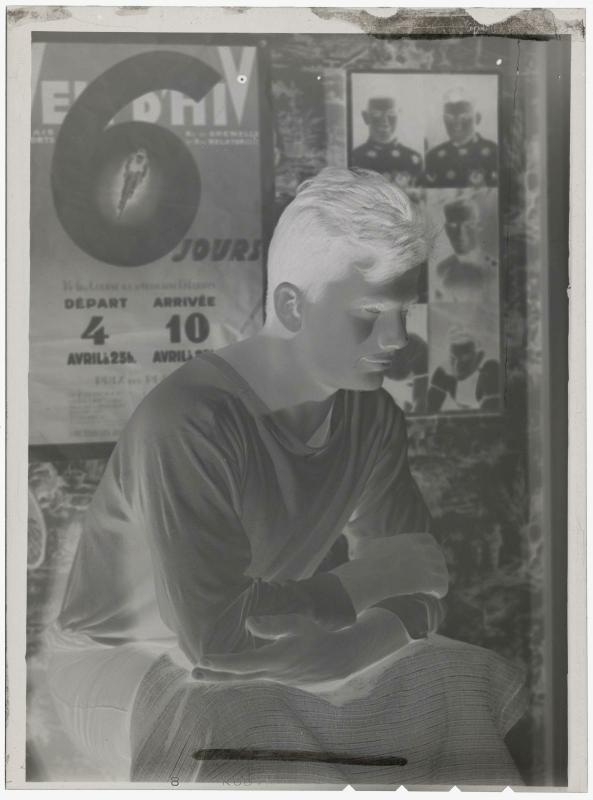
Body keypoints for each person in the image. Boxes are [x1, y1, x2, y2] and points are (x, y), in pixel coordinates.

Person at [44, 168, 524, 785]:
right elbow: (219, 640)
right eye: (371, 311)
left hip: (278, 631)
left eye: (404, 309)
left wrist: (342, 652)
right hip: (126, 657)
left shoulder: (373, 411)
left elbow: (424, 589)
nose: (400, 338)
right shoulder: (193, 416)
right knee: (239, 716)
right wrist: (368, 581)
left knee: (460, 678)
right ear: (294, 305)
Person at [425, 89, 498, 188]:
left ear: (477, 118)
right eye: (449, 118)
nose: (456, 125)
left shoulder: (495, 153)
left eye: (463, 118)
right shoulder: (433, 157)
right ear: (444, 120)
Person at [433, 198, 498, 303]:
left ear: (478, 226)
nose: (460, 234)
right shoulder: (441, 270)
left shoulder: (494, 271)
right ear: (446, 229)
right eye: (453, 226)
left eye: (467, 225)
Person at [350, 97, 423, 190]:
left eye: (391, 113)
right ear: (366, 117)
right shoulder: (355, 157)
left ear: (399, 115)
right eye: (377, 113)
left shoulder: (412, 159)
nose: (385, 120)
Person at [427, 326, 501, 413]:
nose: (458, 365)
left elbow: (491, 415)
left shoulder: (491, 370)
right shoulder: (444, 371)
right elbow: (429, 410)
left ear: (479, 356)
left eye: (465, 358)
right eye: (453, 358)